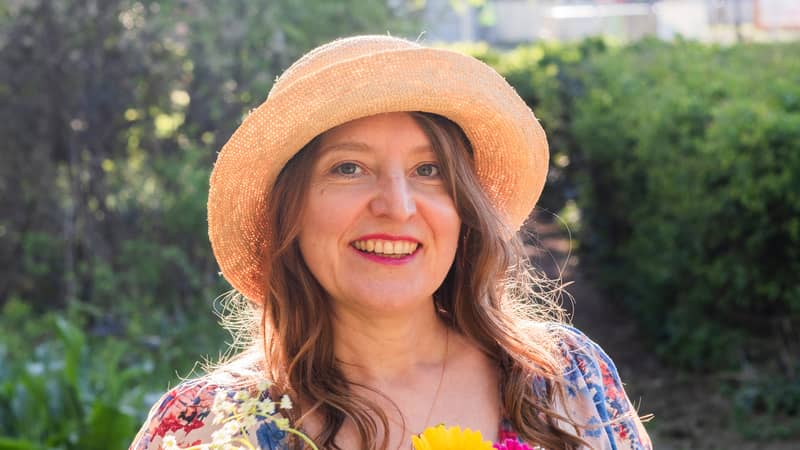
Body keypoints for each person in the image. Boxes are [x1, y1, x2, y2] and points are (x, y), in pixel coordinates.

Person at [130, 35, 651, 450]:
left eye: (429, 170)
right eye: (349, 168)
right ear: (289, 211)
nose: (397, 206)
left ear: (463, 210)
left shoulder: (568, 381)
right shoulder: (205, 427)